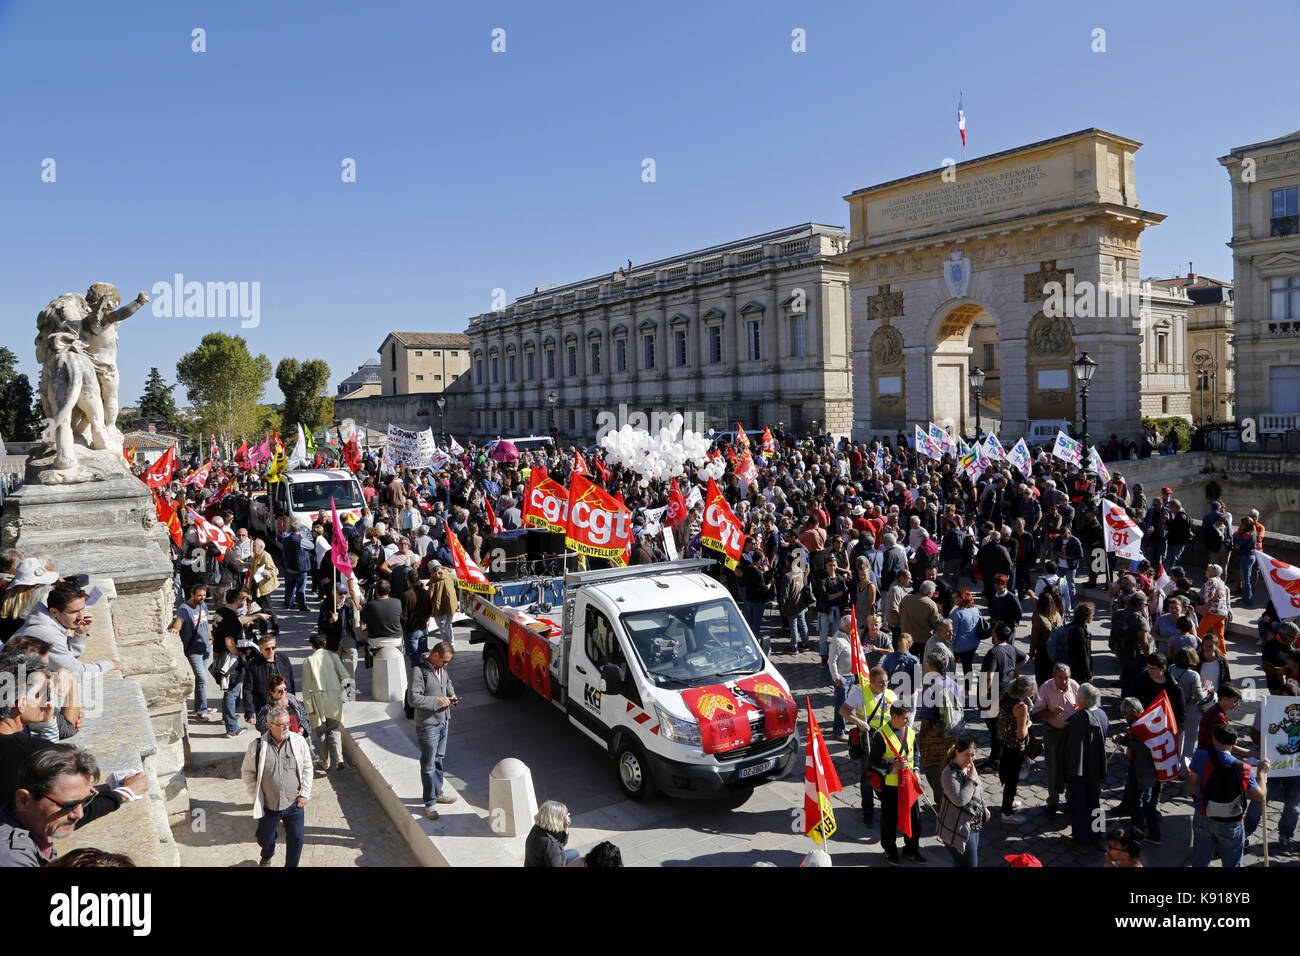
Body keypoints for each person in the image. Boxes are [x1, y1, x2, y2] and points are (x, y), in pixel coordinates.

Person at [0, 746, 106, 866]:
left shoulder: (37, 827)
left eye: (86, 800)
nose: (80, 814)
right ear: (23, 801)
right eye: (68, 805)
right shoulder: (12, 858)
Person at [241, 704, 313, 867]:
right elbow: (247, 772)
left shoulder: (298, 741)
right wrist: (256, 794)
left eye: (288, 723)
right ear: (270, 725)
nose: (287, 727)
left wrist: (305, 793)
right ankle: (267, 854)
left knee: (296, 839)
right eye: (282, 725)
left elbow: (308, 766)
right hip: (269, 806)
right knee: (265, 838)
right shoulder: (257, 746)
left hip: (294, 803)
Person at [1188, 724, 1269, 868]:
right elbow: (1260, 797)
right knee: (1232, 862)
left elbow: (1193, 783)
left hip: (1203, 814)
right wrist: (1261, 775)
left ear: (1213, 739)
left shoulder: (1200, 755)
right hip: (1231, 822)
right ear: (1235, 742)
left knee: (1201, 859)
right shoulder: (1244, 769)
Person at [868, 700, 923, 865]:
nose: (908, 720)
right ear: (894, 717)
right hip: (890, 785)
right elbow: (873, 761)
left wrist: (917, 770)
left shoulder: (911, 732)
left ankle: (911, 850)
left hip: (909, 784)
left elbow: (916, 755)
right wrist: (892, 765)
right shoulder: (880, 735)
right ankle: (890, 850)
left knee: (915, 820)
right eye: (905, 718)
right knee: (889, 821)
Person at [840, 665, 896, 826]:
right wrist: (859, 722)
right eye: (880, 682)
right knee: (867, 778)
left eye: (886, 681)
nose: (884, 685)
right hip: (869, 741)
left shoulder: (891, 694)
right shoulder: (859, 694)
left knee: (889, 775)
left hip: (888, 741)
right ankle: (868, 811)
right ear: (871, 682)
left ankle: (888, 807)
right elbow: (843, 710)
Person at [410, 641, 458, 819]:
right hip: (428, 725)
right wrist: (436, 701)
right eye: (445, 661)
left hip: (444, 721)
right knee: (428, 765)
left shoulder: (441, 668)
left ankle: (438, 793)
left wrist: (451, 695)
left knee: (439, 759)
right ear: (435, 655)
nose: (446, 665)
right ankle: (429, 803)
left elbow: (448, 683)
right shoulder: (419, 671)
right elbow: (413, 699)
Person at [1063, 682, 1107, 849]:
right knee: (1096, 802)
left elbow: (1073, 747)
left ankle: (1080, 840)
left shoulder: (1079, 718)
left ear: (1081, 700)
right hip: (1097, 767)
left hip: (1080, 769)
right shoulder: (1103, 714)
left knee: (1079, 805)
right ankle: (1098, 835)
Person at [1114, 697, 1164, 845]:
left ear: (1135, 712)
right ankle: (1144, 830)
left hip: (1144, 770)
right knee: (1142, 800)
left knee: (1141, 801)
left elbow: (1145, 746)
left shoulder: (1144, 725)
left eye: (1127, 716)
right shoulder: (1144, 720)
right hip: (1142, 768)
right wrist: (1125, 738)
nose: (1126, 719)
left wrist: (1127, 742)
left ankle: (1141, 832)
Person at [1031, 663, 1079, 817]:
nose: (1064, 682)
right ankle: (1053, 802)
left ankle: (1071, 801)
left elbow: (1081, 704)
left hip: (1071, 732)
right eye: (1060, 678)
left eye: (1066, 678)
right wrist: (1051, 714)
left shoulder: (1074, 686)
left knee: (1072, 766)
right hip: (1053, 733)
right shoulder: (1045, 688)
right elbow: (1037, 712)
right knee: (1053, 767)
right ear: (1053, 676)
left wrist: (1077, 710)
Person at [979, 623, 1027, 772]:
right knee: (1000, 725)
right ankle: (999, 756)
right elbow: (1026, 657)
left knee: (994, 728)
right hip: (1006, 691)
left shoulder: (993, 653)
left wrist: (984, 695)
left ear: (996, 635)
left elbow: (989, 676)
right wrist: (1013, 671)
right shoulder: (1011, 648)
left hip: (993, 693)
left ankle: (995, 760)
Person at [936, 736, 989, 867]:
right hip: (958, 829)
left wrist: (984, 808)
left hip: (972, 826)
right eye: (966, 755)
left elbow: (978, 790)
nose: (970, 759)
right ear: (957, 752)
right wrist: (972, 779)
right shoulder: (949, 774)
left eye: (973, 755)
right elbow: (960, 800)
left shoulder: (969, 767)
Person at [301, 631, 349, 772]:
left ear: (312, 646)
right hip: (334, 699)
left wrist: (309, 707)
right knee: (334, 729)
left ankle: (325, 761)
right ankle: (338, 758)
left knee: (321, 733)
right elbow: (346, 676)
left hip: (318, 700)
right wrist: (347, 698)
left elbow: (306, 687)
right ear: (325, 643)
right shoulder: (334, 657)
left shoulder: (308, 661)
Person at [995, 675, 1036, 823]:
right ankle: (1007, 813)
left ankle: (1009, 800)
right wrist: (1029, 724)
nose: (1033, 693)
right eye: (1032, 691)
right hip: (1015, 746)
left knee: (1007, 774)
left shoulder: (1007, 695)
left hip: (1004, 741)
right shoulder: (1021, 706)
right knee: (1012, 779)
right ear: (1025, 690)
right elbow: (1021, 734)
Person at [242, 633, 296, 727]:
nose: (271, 651)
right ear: (261, 649)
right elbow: (247, 690)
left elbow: (290, 681)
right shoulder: (253, 665)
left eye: (273, 648)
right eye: (267, 649)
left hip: (285, 705)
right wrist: (249, 713)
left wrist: (293, 701)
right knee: (267, 736)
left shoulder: (283, 658)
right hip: (265, 707)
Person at [524, 800, 582, 866]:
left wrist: (565, 827)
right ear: (556, 820)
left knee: (574, 852)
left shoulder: (537, 828)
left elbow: (562, 843)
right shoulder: (551, 845)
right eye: (563, 817)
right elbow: (556, 848)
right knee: (578, 860)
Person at [1196, 564, 1232, 660]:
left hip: (1213, 611)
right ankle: (1222, 655)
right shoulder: (1221, 582)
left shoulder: (1211, 581)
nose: (1206, 571)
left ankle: (1197, 652)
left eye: (1208, 570)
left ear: (1213, 572)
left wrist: (1202, 604)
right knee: (1219, 635)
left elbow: (1209, 596)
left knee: (1200, 632)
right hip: (1222, 612)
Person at [948, 588, 982, 676]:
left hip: (958, 647)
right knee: (967, 667)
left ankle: (950, 688)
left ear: (961, 598)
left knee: (950, 669)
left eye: (954, 596)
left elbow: (952, 633)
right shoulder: (976, 610)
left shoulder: (956, 613)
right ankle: (967, 690)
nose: (953, 598)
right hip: (972, 645)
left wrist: (948, 647)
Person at [281, 522, 312, 612]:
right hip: (301, 568)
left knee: (290, 588)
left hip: (290, 567)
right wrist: (303, 538)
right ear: (300, 530)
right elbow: (311, 547)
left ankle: (289, 604)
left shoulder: (286, 539)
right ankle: (302, 606)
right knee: (301, 589)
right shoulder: (300, 540)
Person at [428, 560, 458, 651]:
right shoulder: (448, 574)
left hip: (440, 606)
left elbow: (430, 595)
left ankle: (448, 648)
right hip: (451, 604)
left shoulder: (434, 578)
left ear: (432, 570)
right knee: (448, 625)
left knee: (443, 628)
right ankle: (451, 644)